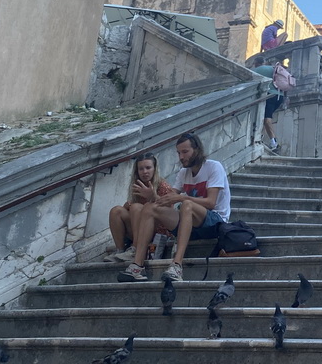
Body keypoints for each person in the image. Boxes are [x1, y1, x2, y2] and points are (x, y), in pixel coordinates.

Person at [118, 131, 232, 283]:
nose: (181, 157)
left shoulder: (213, 167)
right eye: (178, 153)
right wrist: (151, 196)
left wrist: (182, 197)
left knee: (186, 204)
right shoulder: (183, 173)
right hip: (191, 223)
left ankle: (177, 265)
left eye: (185, 152)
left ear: (197, 150)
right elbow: (166, 201)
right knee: (149, 207)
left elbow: (211, 202)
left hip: (215, 221)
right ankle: (138, 266)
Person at [104, 153, 173, 262]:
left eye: (148, 167)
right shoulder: (137, 185)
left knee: (136, 207)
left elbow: (169, 212)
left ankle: (135, 249)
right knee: (116, 211)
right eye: (141, 169)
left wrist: (153, 197)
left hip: (157, 231)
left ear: (155, 169)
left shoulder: (163, 186)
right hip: (139, 229)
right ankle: (120, 250)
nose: (145, 172)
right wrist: (128, 206)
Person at [252, 56, 284, 152]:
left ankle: (274, 143)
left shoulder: (256, 70)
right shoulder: (272, 68)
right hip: (279, 96)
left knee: (266, 119)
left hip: (269, 96)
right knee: (265, 117)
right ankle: (260, 137)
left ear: (256, 63)